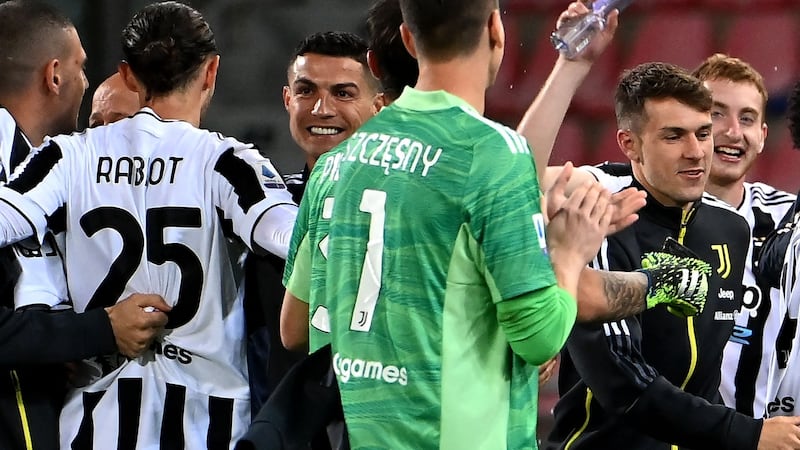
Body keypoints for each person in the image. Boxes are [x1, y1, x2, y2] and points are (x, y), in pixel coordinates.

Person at [280, 0, 716, 448]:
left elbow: (294, 328)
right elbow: (539, 337)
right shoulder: (491, 154)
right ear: (495, 30)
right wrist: (567, 252)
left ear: (410, 39)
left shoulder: (338, 162)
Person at [0, 1, 298, 448]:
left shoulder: (67, 156)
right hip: (206, 423)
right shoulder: (227, 163)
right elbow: (290, 238)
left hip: (94, 425)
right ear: (211, 71)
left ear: (129, 75)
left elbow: (7, 219)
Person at [533, 59, 800, 449]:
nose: (696, 152)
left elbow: (705, 379)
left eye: (703, 133)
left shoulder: (731, 229)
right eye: (674, 136)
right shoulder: (600, 222)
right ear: (630, 144)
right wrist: (747, 433)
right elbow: (624, 385)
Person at [0, 2, 168, 449]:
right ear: (54, 76)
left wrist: (60, 342)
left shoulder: (42, 174)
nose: (86, 82)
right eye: (82, 67)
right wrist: (96, 330)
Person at [243, 30, 382, 420]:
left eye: (343, 93)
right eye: (306, 91)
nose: (321, 109)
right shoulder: (256, 209)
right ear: (287, 99)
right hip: (279, 429)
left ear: (379, 105)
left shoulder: (407, 208)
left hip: (373, 425)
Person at [691, 54, 797, 419]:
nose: (734, 132)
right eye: (716, 114)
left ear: (763, 136)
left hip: (767, 432)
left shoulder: (788, 220)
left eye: (747, 118)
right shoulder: (637, 208)